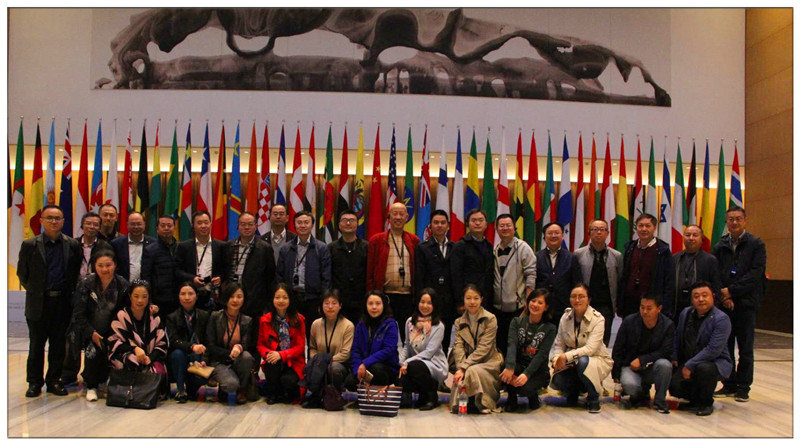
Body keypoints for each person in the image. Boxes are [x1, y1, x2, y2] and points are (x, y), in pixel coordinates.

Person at [17, 205, 81, 397]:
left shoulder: (72, 245)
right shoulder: (30, 245)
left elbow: (74, 273)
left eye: (57, 218)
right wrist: (37, 291)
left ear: (63, 221)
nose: (54, 221)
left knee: (58, 345)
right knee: (36, 345)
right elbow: (22, 274)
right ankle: (34, 382)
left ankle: (54, 380)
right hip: (38, 303)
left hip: (62, 303)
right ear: (41, 221)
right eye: (50, 218)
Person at [712, 206, 766, 403]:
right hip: (724, 304)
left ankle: (743, 387)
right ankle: (728, 383)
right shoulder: (720, 246)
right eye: (731, 219)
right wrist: (724, 296)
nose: (734, 222)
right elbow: (715, 273)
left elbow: (755, 274)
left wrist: (732, 291)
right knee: (725, 347)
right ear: (726, 222)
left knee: (745, 348)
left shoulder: (756, 245)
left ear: (745, 220)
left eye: (738, 219)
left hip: (746, 304)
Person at [68, 249, 129, 402]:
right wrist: (91, 333)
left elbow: (125, 311)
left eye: (108, 265)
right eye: (100, 265)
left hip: (114, 330)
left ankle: (110, 381)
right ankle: (91, 386)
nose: (104, 269)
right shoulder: (86, 283)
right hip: (89, 329)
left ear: (115, 265)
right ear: (94, 266)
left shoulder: (122, 284)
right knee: (93, 350)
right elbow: (79, 313)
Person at [670, 281, 733, 416]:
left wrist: (690, 365)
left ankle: (706, 403)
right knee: (674, 387)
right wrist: (674, 355)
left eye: (705, 295)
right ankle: (694, 400)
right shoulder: (686, 313)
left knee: (704, 369)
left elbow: (713, 350)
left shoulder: (721, 319)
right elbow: (677, 335)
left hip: (714, 362)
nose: (701, 299)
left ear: (713, 297)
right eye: (696, 296)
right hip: (689, 359)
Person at [550, 284, 613, 414]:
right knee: (558, 377)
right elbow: (559, 345)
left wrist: (566, 356)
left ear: (588, 299)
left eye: (581, 297)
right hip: (573, 361)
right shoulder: (565, 318)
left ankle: (593, 397)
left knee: (583, 362)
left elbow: (590, 349)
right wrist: (557, 360)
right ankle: (573, 392)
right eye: (573, 296)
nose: (577, 300)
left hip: (596, 360)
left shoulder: (598, 319)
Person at [611, 293, 675, 414]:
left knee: (665, 365)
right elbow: (618, 349)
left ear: (659, 309)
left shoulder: (668, 325)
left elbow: (666, 351)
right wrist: (616, 374)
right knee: (630, 386)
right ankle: (640, 394)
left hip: (652, 367)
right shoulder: (629, 322)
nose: (645, 311)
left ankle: (660, 400)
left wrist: (642, 360)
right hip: (630, 366)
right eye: (642, 307)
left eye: (649, 308)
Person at [107, 280, 168, 396]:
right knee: (132, 362)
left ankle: (150, 395)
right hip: (126, 355)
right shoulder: (121, 316)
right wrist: (134, 349)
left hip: (149, 357)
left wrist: (149, 357)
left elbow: (162, 344)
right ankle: (128, 394)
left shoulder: (154, 317)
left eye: (144, 297)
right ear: (130, 296)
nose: (140, 300)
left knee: (156, 370)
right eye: (136, 296)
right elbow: (114, 342)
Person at [366, 202, 420, 335]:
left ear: (407, 217)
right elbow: (370, 271)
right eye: (394, 214)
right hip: (384, 296)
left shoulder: (414, 240)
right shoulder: (377, 240)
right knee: (382, 334)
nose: (398, 217)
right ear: (389, 216)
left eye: (401, 214)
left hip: (407, 297)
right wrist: (371, 295)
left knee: (408, 335)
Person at [448, 284, 503, 414]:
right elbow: (458, 347)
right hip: (466, 363)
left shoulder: (490, 319)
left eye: (476, 298)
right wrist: (460, 367)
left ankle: (481, 403)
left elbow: (484, 348)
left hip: (488, 362)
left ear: (481, 299)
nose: (472, 302)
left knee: (472, 370)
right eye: (468, 298)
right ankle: (467, 402)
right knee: (465, 373)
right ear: (464, 300)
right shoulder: (459, 322)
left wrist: (464, 368)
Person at [276, 211, 331, 339]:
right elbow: (279, 275)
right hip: (291, 299)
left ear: (312, 225)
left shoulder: (321, 248)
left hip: (313, 299)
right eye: (299, 222)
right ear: (294, 225)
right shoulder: (286, 248)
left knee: (313, 335)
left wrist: (323, 301)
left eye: (306, 222)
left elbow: (326, 278)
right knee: (291, 335)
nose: (303, 225)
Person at [501, 288, 556, 412]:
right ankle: (511, 397)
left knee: (524, 389)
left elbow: (541, 355)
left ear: (546, 307)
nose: (535, 305)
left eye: (540, 303)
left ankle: (533, 394)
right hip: (519, 365)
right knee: (504, 369)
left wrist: (527, 374)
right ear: (527, 302)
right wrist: (509, 367)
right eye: (533, 301)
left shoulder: (550, 328)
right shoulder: (516, 322)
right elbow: (511, 345)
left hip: (537, 371)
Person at [492, 213, 537, 356]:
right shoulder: (495, 249)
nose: (505, 228)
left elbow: (531, 275)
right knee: (500, 345)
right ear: (496, 229)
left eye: (508, 225)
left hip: (518, 308)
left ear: (514, 228)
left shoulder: (523, 248)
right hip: (498, 309)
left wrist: (528, 303)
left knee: (516, 346)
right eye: (502, 226)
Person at [205, 282, 257, 404]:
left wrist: (239, 347)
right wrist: (229, 353)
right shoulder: (215, 316)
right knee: (231, 384)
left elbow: (246, 344)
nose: (235, 300)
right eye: (232, 296)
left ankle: (242, 390)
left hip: (238, 360)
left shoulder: (247, 320)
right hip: (219, 360)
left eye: (239, 296)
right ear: (226, 298)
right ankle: (227, 386)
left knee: (247, 357)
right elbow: (210, 345)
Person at [573, 219, 623, 346]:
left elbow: (620, 281)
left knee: (603, 342)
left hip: (607, 305)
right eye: (595, 229)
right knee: (583, 340)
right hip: (585, 304)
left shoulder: (616, 256)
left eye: (602, 229)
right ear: (589, 233)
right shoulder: (578, 254)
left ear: (607, 233)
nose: (598, 232)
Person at [398, 289, 448, 410]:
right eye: (422, 302)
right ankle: (419, 396)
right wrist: (400, 362)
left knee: (415, 366)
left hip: (434, 364)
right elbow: (406, 345)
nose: (425, 306)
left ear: (434, 305)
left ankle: (431, 396)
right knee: (399, 374)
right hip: (413, 363)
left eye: (429, 303)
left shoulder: (438, 326)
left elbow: (429, 352)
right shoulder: (410, 322)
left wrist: (407, 362)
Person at [304, 289, 355, 408]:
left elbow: (345, 354)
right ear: (321, 306)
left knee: (333, 368)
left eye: (334, 303)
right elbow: (312, 348)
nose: (330, 307)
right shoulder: (316, 324)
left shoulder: (348, 325)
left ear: (340, 305)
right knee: (313, 366)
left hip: (339, 364)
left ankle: (335, 395)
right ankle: (317, 396)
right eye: (326, 303)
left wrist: (325, 361)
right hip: (319, 363)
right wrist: (318, 360)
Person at [618, 213, 675, 319]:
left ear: (654, 228)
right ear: (636, 228)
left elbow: (669, 282)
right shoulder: (630, 248)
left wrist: (664, 307)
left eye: (648, 226)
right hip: (629, 304)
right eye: (641, 226)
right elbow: (623, 277)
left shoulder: (663, 251)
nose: (644, 229)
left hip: (652, 305)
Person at [258, 284, 307, 404]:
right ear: (272, 299)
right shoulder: (265, 320)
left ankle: (285, 392)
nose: (281, 301)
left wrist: (281, 355)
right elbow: (260, 345)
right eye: (277, 297)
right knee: (270, 362)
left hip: (293, 361)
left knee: (288, 381)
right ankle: (273, 394)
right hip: (274, 360)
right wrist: (269, 353)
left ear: (290, 299)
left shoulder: (299, 320)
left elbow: (300, 347)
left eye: (285, 297)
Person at [414, 210, 455, 350]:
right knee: (427, 340)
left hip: (448, 302)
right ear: (430, 226)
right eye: (436, 223)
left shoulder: (455, 247)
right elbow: (420, 277)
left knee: (446, 339)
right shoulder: (422, 248)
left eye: (443, 223)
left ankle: (442, 362)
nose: (439, 225)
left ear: (448, 226)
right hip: (429, 302)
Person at [345, 291, 400, 390]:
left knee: (376, 370)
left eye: (378, 304)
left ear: (384, 305)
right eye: (370, 304)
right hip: (364, 368)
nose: (374, 307)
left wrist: (365, 363)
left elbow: (388, 350)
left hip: (385, 367)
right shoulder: (361, 325)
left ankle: (378, 395)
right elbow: (355, 350)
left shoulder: (390, 324)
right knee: (350, 382)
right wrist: (357, 370)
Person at [225, 212, 276, 320]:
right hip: (231, 298)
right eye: (243, 224)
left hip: (254, 303)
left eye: (250, 224)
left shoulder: (264, 248)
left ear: (255, 226)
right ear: (238, 226)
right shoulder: (229, 246)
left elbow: (270, 278)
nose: (246, 227)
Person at [165, 282, 210, 403]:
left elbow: (209, 341)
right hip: (180, 354)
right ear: (178, 296)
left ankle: (192, 389)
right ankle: (180, 390)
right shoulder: (172, 317)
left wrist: (205, 359)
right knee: (178, 354)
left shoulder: (204, 315)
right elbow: (173, 341)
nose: (187, 297)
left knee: (198, 355)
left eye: (190, 293)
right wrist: (191, 346)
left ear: (196, 296)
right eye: (183, 294)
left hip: (199, 354)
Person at [175, 211, 227, 311]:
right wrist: (192, 278)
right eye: (199, 223)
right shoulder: (184, 246)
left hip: (213, 296)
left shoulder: (221, 246)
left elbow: (226, 269)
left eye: (206, 222)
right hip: (191, 295)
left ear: (211, 224)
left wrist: (220, 278)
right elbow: (177, 271)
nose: (203, 226)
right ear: (193, 226)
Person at [535, 222, 582, 322]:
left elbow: (577, 283)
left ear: (562, 236)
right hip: (542, 308)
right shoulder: (536, 257)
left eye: (557, 233)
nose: (553, 236)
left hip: (565, 309)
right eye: (550, 233)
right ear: (544, 237)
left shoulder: (571, 258)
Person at [328, 210, 368, 325]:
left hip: (361, 300)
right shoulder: (331, 248)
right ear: (339, 225)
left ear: (357, 224)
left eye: (352, 220)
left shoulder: (366, 247)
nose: (348, 223)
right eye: (345, 220)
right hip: (338, 301)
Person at [673, 225, 722, 320]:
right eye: (688, 235)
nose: (691, 238)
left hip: (701, 311)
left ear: (702, 239)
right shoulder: (675, 258)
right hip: (676, 310)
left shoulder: (710, 260)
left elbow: (716, 288)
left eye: (695, 235)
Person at [450, 209, 494, 310]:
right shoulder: (460, 246)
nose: (477, 223)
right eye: (474, 220)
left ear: (486, 224)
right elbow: (456, 276)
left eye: (481, 220)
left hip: (486, 299)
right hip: (468, 300)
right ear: (467, 224)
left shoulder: (489, 245)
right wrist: (460, 302)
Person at [142, 215, 181, 315]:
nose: (166, 228)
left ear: (174, 227)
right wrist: (150, 301)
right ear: (157, 228)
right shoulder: (150, 250)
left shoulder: (181, 248)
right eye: (163, 225)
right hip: (158, 300)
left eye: (169, 225)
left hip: (179, 299)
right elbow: (146, 277)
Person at [109, 212, 155, 282]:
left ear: (144, 224)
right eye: (132, 224)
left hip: (146, 286)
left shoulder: (153, 244)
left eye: (139, 224)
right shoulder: (116, 244)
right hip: (122, 285)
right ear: (127, 225)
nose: (136, 227)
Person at [76, 212, 112, 279]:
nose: (91, 227)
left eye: (95, 225)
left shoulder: (105, 247)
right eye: (88, 223)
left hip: (96, 282)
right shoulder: (73, 244)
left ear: (99, 228)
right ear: (82, 225)